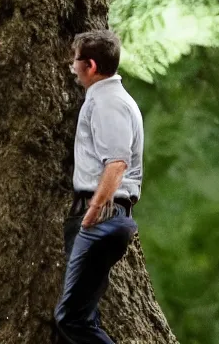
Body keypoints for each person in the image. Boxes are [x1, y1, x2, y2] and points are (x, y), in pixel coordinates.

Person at [54, 30, 143, 344]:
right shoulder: (104, 98)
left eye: (74, 61)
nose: (71, 68)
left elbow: (117, 163)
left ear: (89, 65)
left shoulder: (108, 103)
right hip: (100, 216)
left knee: (71, 318)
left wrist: (92, 213)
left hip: (101, 215)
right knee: (83, 314)